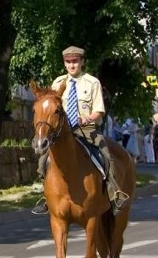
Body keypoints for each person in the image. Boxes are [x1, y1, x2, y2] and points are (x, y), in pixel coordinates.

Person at [32, 46, 130, 216]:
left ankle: (114, 193)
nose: (72, 65)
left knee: (105, 155)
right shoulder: (57, 83)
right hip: (62, 132)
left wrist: (88, 118)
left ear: (82, 62)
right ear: (64, 63)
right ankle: (47, 197)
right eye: (68, 62)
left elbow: (99, 110)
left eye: (75, 61)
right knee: (43, 161)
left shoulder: (92, 83)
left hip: (87, 129)